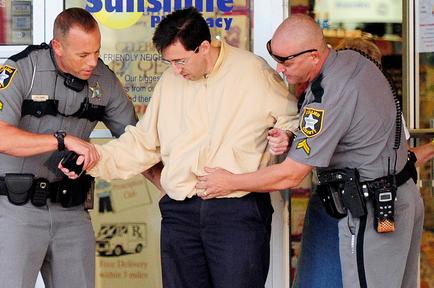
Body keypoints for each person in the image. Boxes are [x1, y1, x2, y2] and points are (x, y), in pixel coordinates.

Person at [61, 7, 298, 288]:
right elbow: (143, 143)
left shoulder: (253, 71)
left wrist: (287, 136)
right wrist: (94, 158)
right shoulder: (170, 81)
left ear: (204, 47)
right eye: (169, 62)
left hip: (236, 211)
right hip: (180, 212)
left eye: (181, 61)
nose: (175, 70)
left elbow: (294, 120)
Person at [196, 14, 424, 288]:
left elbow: (291, 176)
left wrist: (228, 182)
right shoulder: (353, 62)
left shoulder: (330, 94)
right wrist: (292, 138)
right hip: (356, 197)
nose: (279, 69)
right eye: (274, 56)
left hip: (371, 205)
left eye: (286, 61)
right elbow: (341, 133)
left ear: (314, 56)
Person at [0, 8, 138, 288]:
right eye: (83, 55)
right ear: (58, 46)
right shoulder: (23, 69)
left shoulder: (104, 80)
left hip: (71, 210)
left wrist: (167, 185)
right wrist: (62, 140)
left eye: (97, 52)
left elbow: (136, 140)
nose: (93, 62)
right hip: (16, 210)